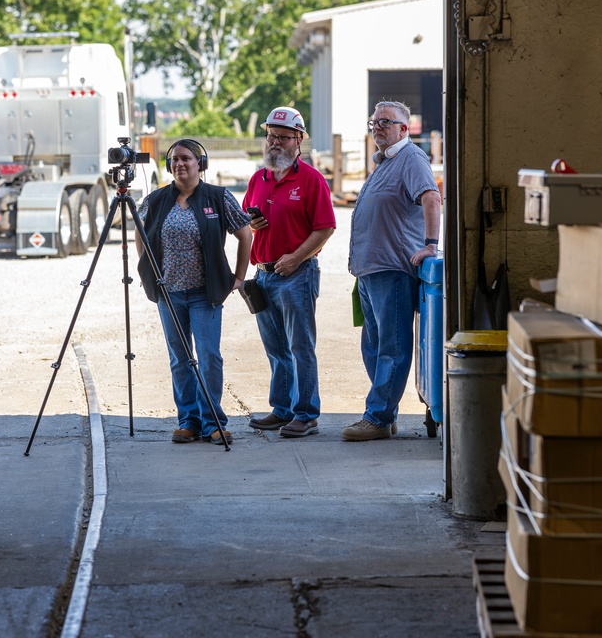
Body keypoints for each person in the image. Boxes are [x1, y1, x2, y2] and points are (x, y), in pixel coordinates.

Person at [135, 139, 252, 445]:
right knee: (180, 358)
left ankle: (213, 422)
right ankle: (188, 420)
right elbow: (140, 230)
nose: (180, 164)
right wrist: (148, 269)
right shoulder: (157, 199)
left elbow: (244, 234)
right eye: (174, 159)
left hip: (205, 292)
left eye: (186, 158)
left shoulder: (218, 197)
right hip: (169, 294)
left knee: (209, 356)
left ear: (201, 163)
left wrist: (238, 277)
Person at [343, 100, 442, 442]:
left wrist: (431, 243)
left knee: (392, 347)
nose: (378, 127)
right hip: (371, 270)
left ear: (404, 128)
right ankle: (385, 414)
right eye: (374, 123)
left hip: (393, 268)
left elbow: (431, 198)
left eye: (386, 122)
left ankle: (379, 416)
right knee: (373, 346)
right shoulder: (385, 163)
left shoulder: (411, 158)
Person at [243, 107, 336, 438]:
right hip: (264, 275)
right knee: (276, 348)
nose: (275, 143)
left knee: (300, 347)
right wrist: (250, 224)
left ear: (299, 140)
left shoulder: (311, 180)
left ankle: (306, 413)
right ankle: (282, 409)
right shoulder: (259, 179)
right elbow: (243, 222)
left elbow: (325, 228)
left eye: (283, 137)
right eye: (271, 136)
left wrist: (296, 258)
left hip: (297, 275)